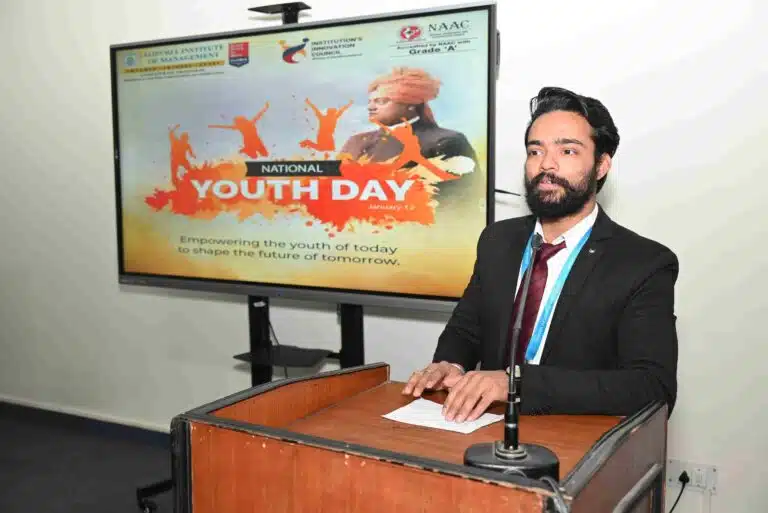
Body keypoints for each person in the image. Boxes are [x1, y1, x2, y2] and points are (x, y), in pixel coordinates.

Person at [402, 86, 679, 422]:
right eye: (535, 151)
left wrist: (516, 384)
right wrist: (451, 364)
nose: (546, 164)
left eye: (568, 151)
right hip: (486, 427)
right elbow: (468, 328)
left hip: (571, 436)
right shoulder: (498, 240)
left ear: (601, 165)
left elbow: (652, 386)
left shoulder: (643, 263)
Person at [339, 67, 477, 178]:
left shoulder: (446, 141)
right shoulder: (356, 142)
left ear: (411, 105)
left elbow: (463, 196)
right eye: (370, 101)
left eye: (381, 101)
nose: (370, 107)